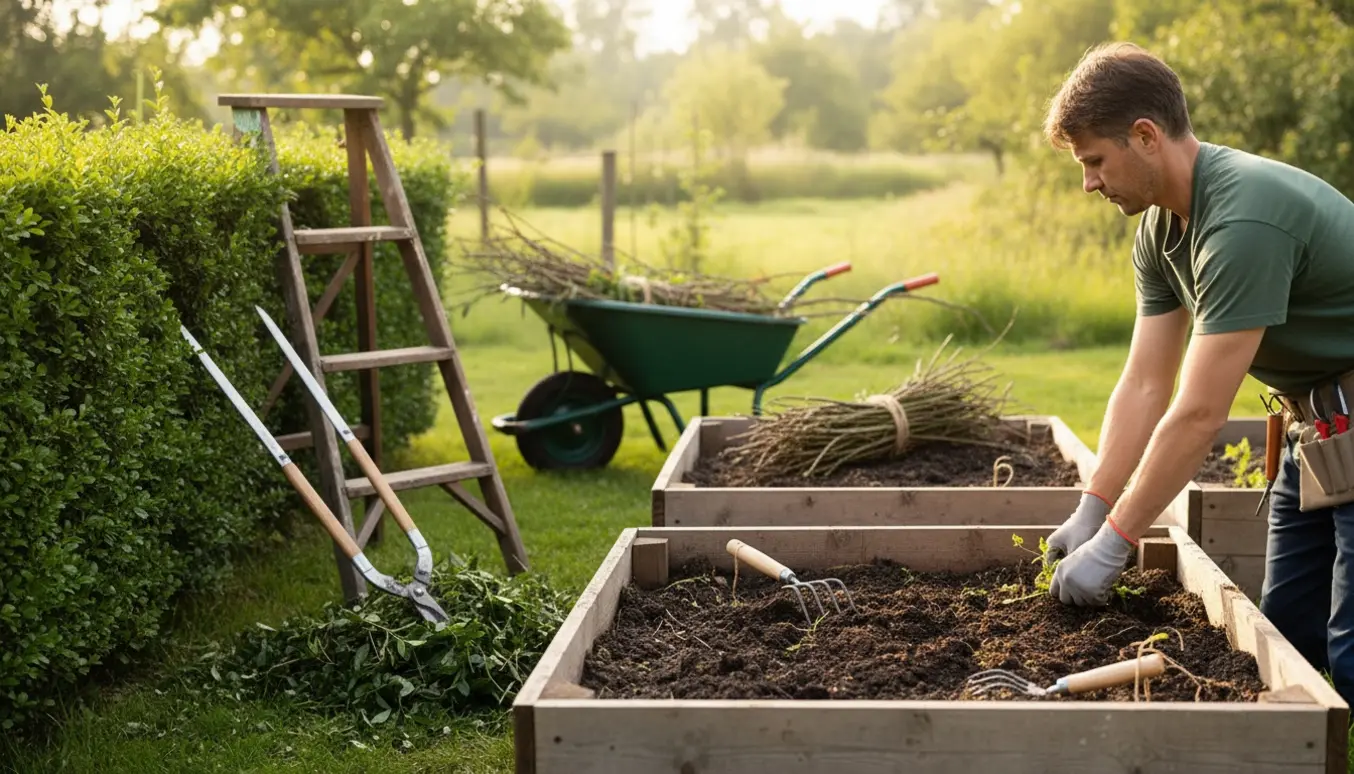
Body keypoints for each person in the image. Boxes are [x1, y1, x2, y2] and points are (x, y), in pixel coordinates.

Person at [1039, 41, 1354, 708]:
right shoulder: (1161, 230)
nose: (1088, 182)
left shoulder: (1242, 218)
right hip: (1319, 427)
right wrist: (1093, 505)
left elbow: (1200, 411)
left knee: (1351, 650)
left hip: (1349, 420)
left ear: (1146, 136)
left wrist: (1118, 542)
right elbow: (1146, 382)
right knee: (1285, 635)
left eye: (1095, 161)